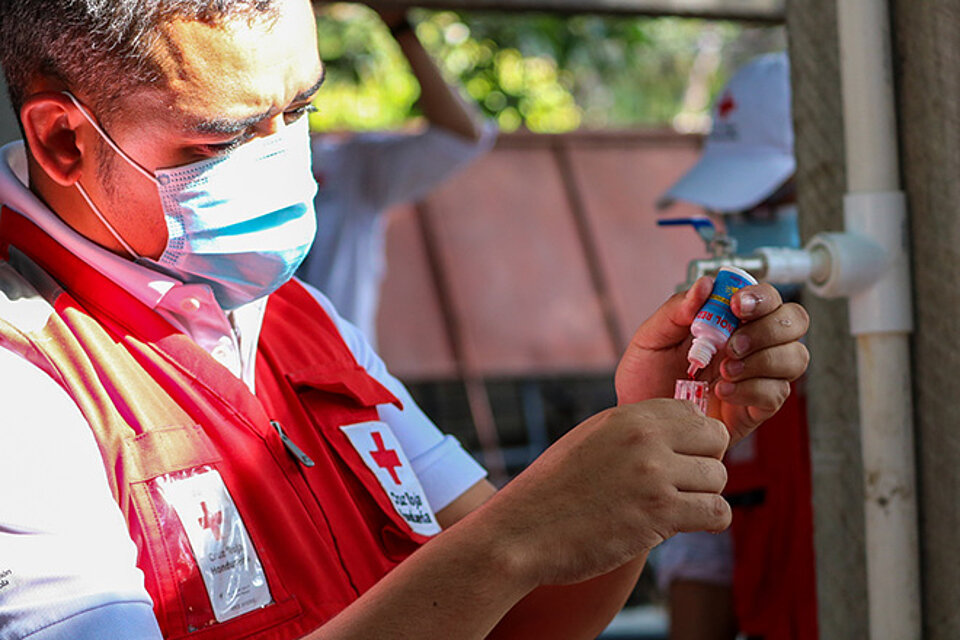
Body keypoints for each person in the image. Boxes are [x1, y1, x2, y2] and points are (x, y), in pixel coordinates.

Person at [0, 3, 809, 638]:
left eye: (301, 108)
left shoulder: (296, 315)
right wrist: (507, 543)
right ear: (63, 140)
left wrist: (652, 430)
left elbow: (524, 618)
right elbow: (500, 558)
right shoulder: (23, 375)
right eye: (229, 135)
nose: (285, 158)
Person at [656, 52, 818, 640]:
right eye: (724, 210)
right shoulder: (713, 348)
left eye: (762, 205)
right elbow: (700, 557)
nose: (734, 230)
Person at [298, 6, 496, 348]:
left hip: (340, 367)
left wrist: (399, 26)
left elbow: (461, 137)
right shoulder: (212, 154)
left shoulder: (347, 164)